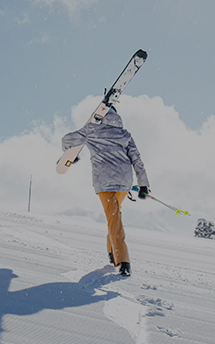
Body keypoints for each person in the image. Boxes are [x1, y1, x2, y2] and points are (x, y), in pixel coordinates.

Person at [61, 107, 149, 277]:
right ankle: (112, 253)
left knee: (114, 219)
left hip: (105, 182)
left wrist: (72, 155)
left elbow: (67, 140)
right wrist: (143, 185)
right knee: (114, 216)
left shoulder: (92, 130)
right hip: (124, 183)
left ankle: (123, 261)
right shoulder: (125, 134)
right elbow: (137, 160)